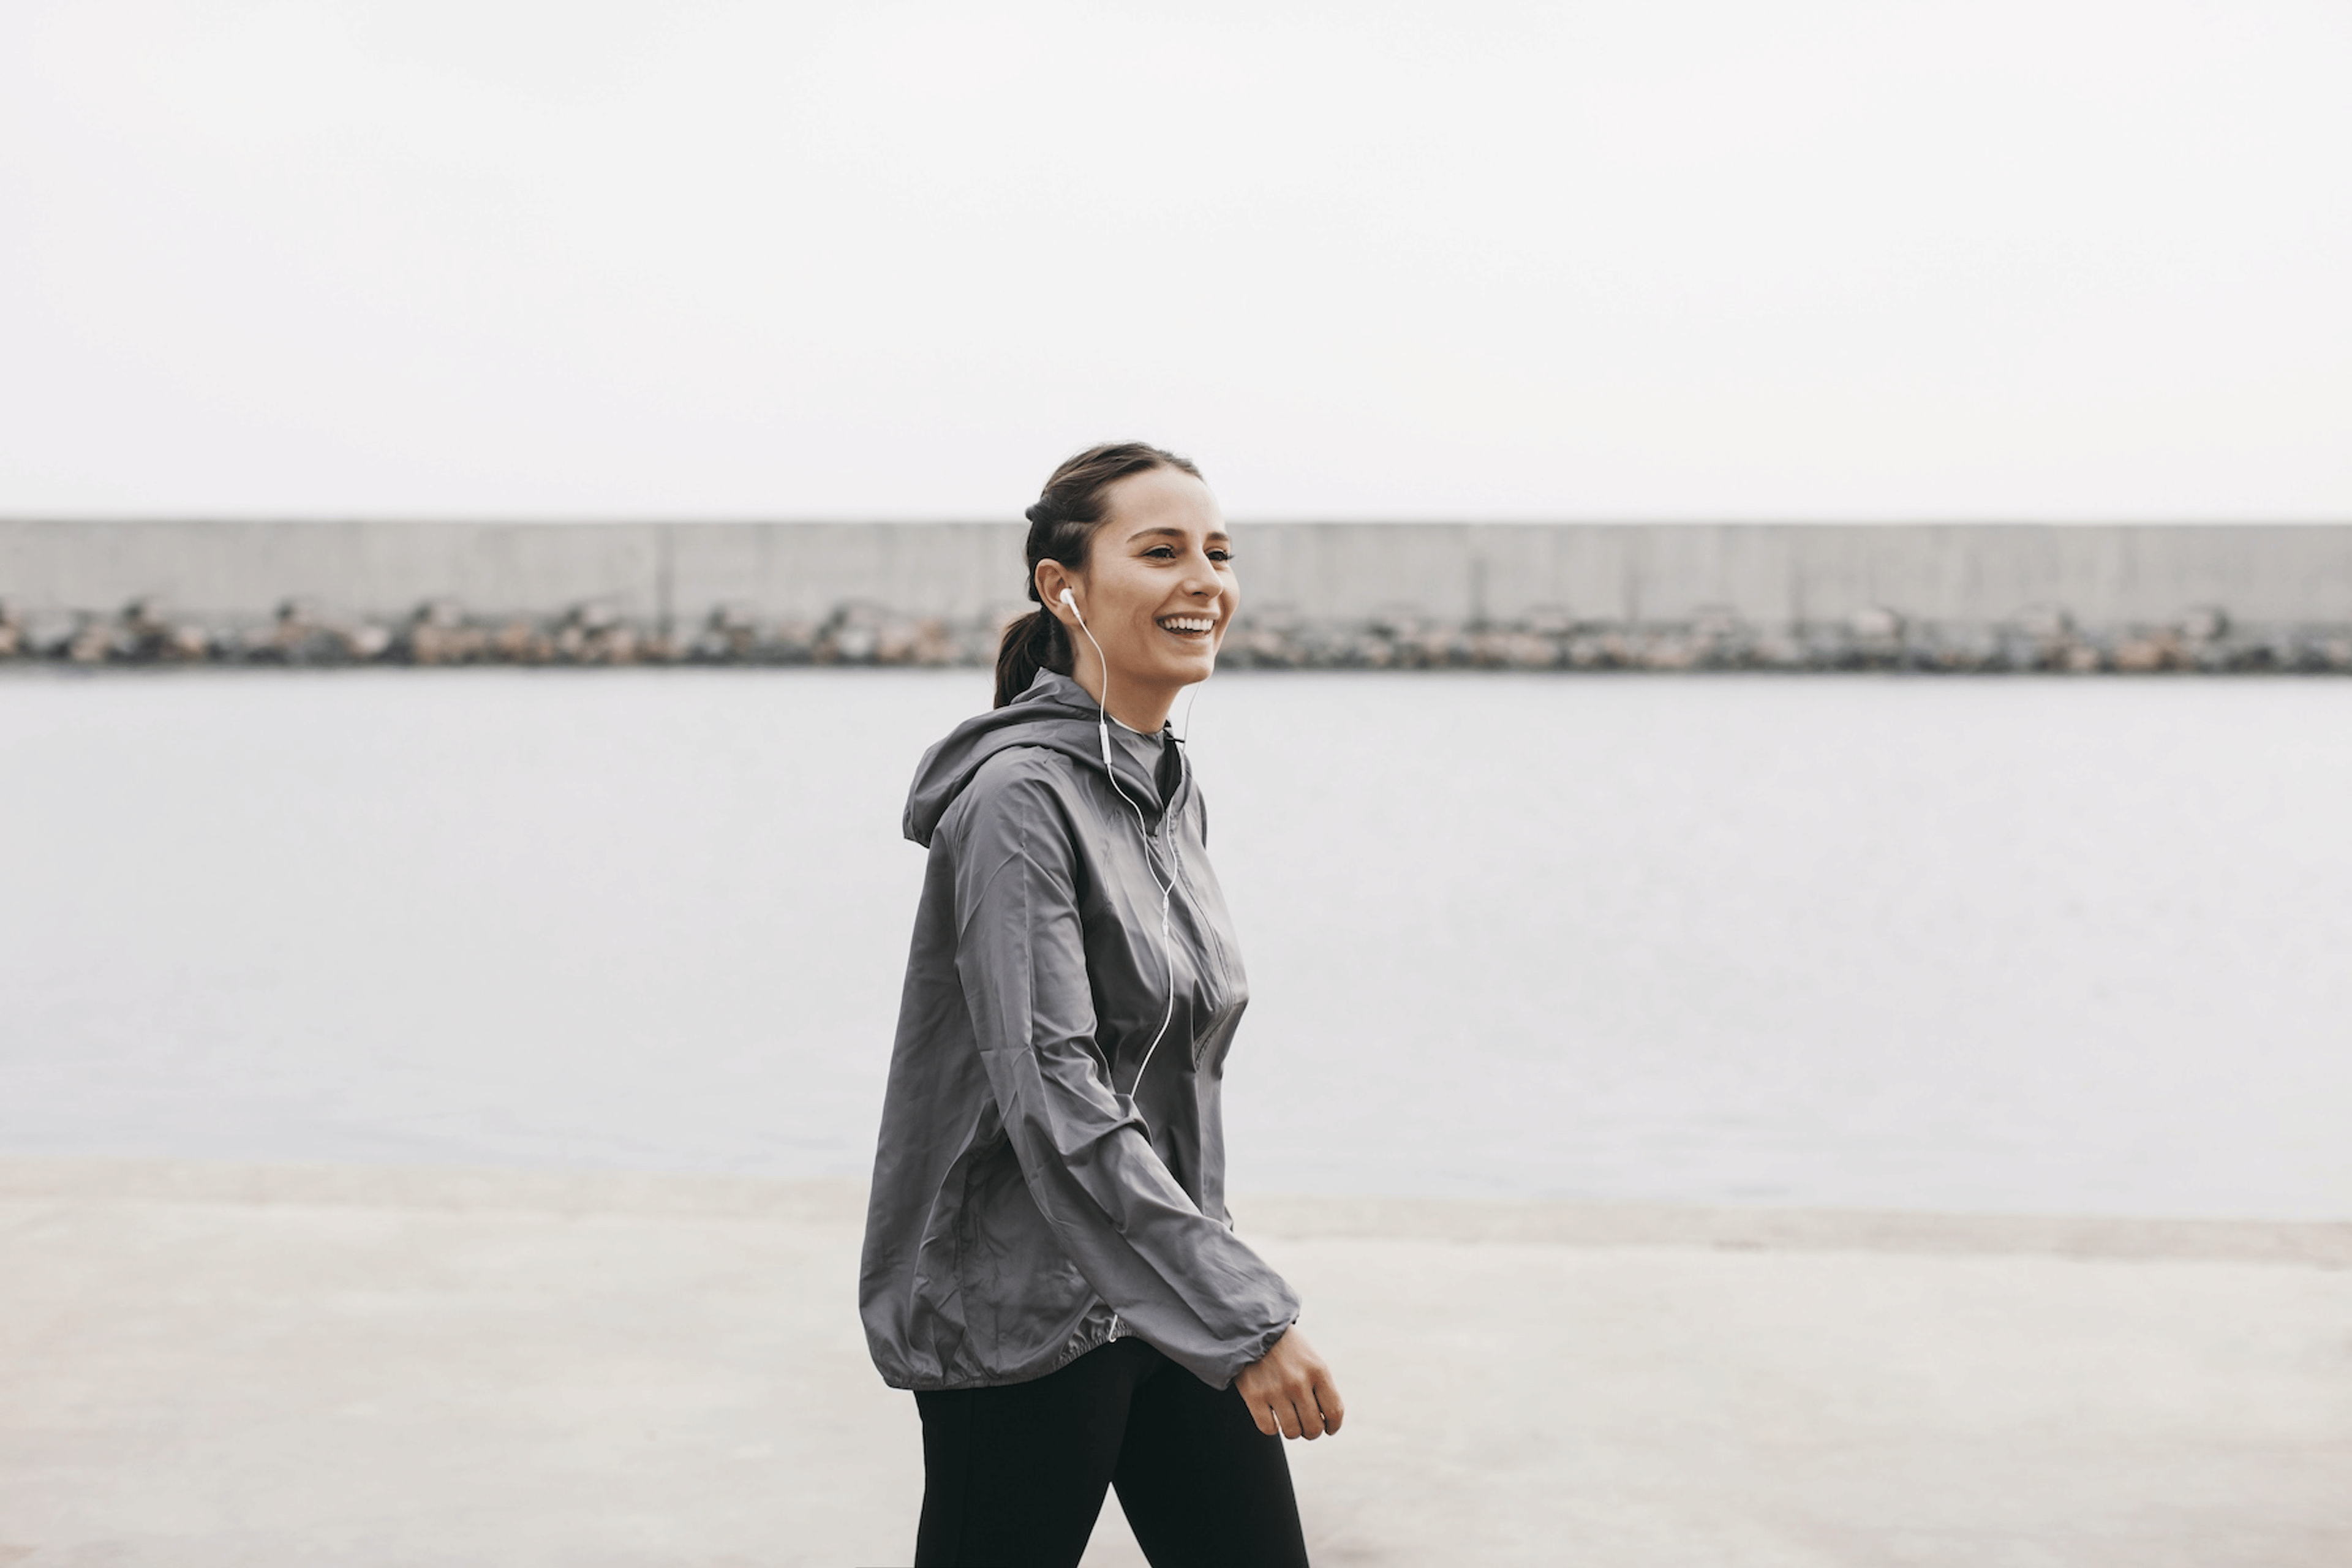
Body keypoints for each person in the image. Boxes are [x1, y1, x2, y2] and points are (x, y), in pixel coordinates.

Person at [860, 442, 1344, 1567]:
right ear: (1060, 585)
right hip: (1022, 1309)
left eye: (1218, 554)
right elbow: (1052, 1089)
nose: (1205, 582)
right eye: (1162, 550)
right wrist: (1248, 1312)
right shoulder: (1017, 800)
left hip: (1163, 1292)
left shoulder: (1165, 785)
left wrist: (1205, 1287)